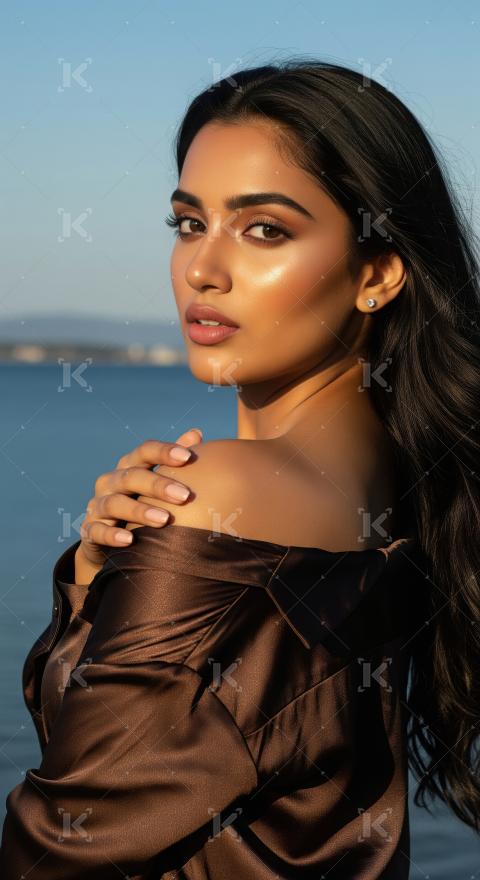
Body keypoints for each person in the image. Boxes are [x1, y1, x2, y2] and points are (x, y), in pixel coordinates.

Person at [2, 57, 480, 878]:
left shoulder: (220, 493)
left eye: (265, 230)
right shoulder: (401, 489)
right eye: (190, 223)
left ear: (377, 273)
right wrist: (95, 574)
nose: (202, 271)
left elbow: (63, 844)